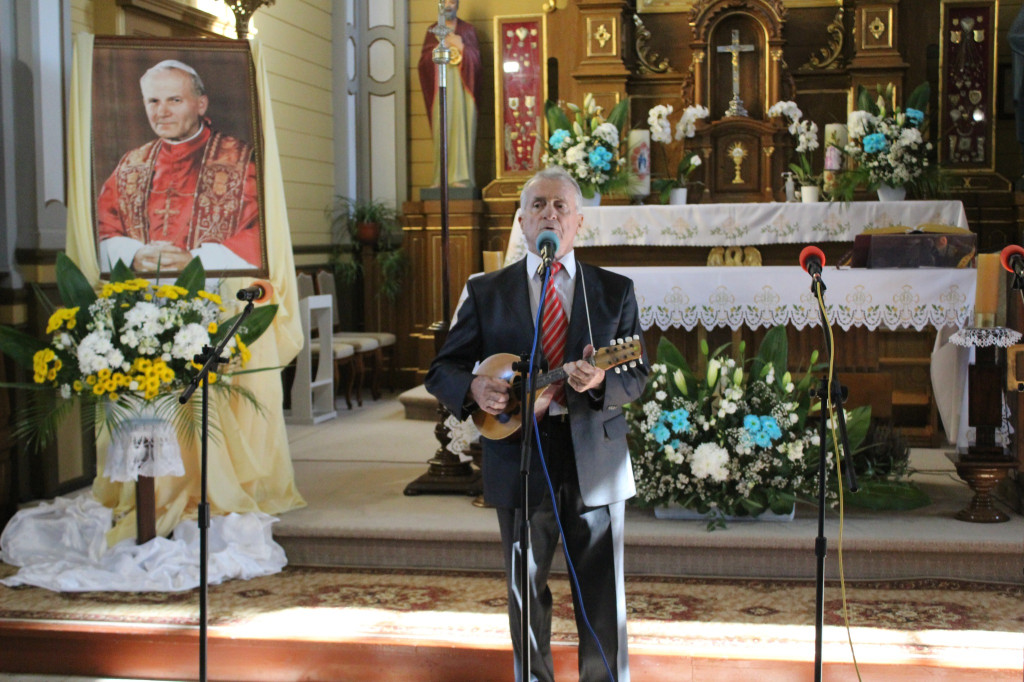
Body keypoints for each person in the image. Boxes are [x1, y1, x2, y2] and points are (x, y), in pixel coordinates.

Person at [425, 165, 649, 681]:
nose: (550, 214)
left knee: (600, 594)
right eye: (539, 206)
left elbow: (635, 375)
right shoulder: (487, 291)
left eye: (560, 207)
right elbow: (443, 370)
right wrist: (475, 388)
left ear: (579, 223)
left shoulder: (613, 292)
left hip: (593, 457)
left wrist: (597, 384)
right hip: (519, 458)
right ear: (522, 221)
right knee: (526, 594)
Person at [96, 59, 262, 274]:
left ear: (201, 104)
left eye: (174, 100)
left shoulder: (243, 161)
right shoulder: (131, 164)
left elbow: (263, 233)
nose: (162, 112)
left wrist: (196, 262)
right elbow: (101, 227)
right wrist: (133, 255)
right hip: (140, 298)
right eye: (153, 101)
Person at [417, 0, 481, 188]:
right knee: (441, 129)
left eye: (452, 1)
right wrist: (437, 52)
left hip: (462, 93)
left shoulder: (468, 30)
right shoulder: (433, 31)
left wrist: (461, 46)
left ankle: (461, 177)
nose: (448, 5)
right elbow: (423, 64)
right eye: (444, 1)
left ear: (458, 4)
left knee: (461, 130)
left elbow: (477, 63)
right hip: (440, 90)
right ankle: (441, 178)